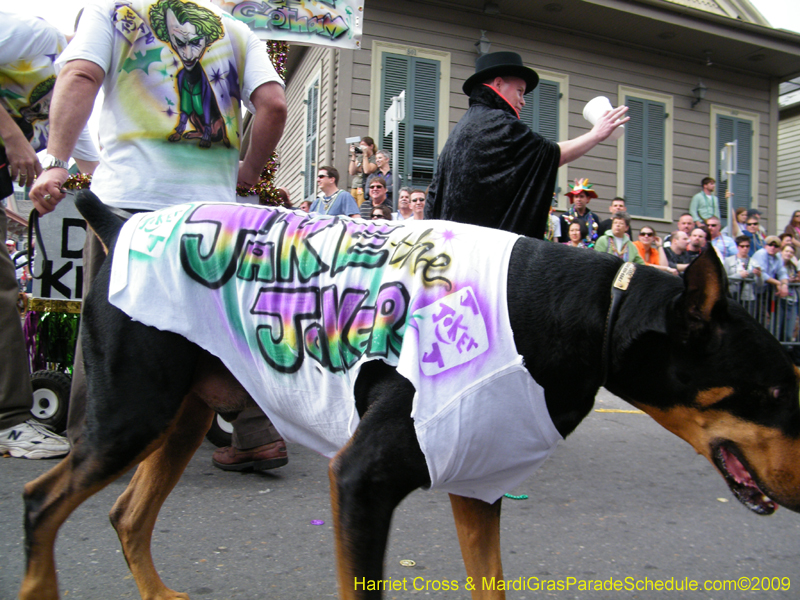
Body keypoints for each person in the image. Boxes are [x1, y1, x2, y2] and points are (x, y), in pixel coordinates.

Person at [29, 0, 288, 460]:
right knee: (217, 324)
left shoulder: (113, 11)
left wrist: (54, 162)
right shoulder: (237, 30)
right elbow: (273, 105)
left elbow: (80, 76)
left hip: (130, 201)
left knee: (107, 325)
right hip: (211, 212)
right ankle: (255, 431)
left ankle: (94, 444)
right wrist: (247, 171)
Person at [0, 11, 104, 459]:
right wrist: (13, 137)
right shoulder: (38, 37)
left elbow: (96, 172)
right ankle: (8, 421)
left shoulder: (75, 99)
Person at [425, 51, 627, 239]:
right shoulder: (498, 122)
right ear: (498, 84)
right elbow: (553, 155)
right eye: (520, 92)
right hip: (482, 249)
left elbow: (434, 194)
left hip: (451, 247)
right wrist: (596, 134)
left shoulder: (462, 127)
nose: (523, 101)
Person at [558, 178, 601, 247]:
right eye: (576, 196)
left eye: (581, 196)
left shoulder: (594, 218)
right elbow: (560, 239)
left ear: (588, 199)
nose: (578, 199)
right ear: (573, 199)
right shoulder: (564, 217)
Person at [724, 235, 760, 303]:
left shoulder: (754, 262)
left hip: (748, 297)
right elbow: (725, 279)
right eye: (742, 246)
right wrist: (739, 275)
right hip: (732, 295)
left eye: (747, 246)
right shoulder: (728, 260)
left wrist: (759, 275)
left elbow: (759, 284)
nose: (745, 248)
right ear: (737, 247)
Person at [348, 135, 376, 207]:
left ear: (371, 146)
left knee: (361, 207)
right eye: (360, 146)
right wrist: (353, 155)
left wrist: (365, 155)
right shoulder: (360, 157)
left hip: (364, 187)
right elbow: (352, 171)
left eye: (364, 146)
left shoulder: (374, 158)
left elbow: (367, 170)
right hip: (355, 186)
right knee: (352, 207)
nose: (362, 148)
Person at [779, 244, 800, 342]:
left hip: (792, 300)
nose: (788, 254)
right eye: (786, 251)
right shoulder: (777, 264)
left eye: (791, 252)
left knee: (788, 333)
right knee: (778, 329)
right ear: (781, 251)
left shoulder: (792, 266)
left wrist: (795, 280)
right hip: (780, 299)